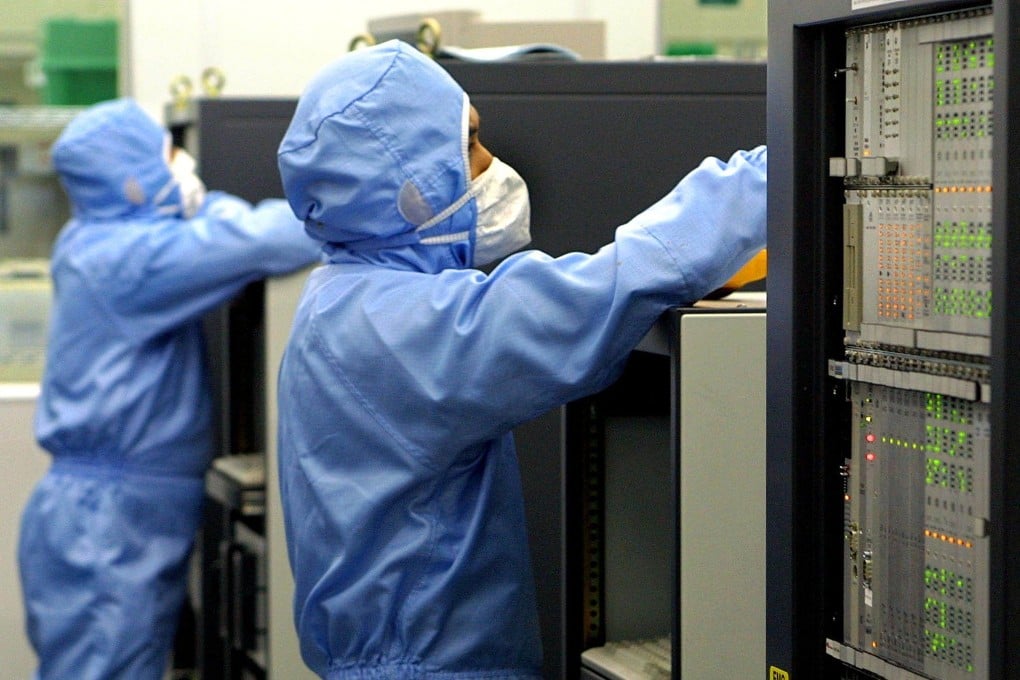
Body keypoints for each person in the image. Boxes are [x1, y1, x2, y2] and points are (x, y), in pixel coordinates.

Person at [275, 40, 767, 679]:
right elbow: (593, 300)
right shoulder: (401, 326)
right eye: (469, 143)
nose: (489, 164)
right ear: (408, 189)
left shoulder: (341, 299)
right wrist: (775, 167)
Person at [18, 97, 321, 680]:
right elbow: (275, 238)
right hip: (111, 520)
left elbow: (219, 237)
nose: (181, 162)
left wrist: (206, 211)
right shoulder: (130, 259)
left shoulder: (95, 239)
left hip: (101, 511)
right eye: (168, 153)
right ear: (132, 180)